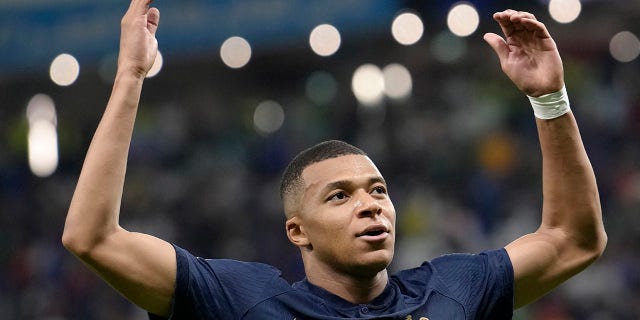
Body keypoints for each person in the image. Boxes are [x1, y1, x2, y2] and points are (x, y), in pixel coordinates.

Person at [62, 0, 607, 319]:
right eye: (339, 196)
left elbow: (575, 239)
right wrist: (130, 76)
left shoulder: (452, 291)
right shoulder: (245, 302)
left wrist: (549, 98)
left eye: (378, 190)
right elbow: (92, 237)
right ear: (297, 231)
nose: (371, 206)